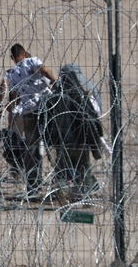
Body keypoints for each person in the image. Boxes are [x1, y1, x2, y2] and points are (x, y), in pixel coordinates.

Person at [0, 44, 56, 199]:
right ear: (24, 54)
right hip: (46, 107)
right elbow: (44, 70)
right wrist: (55, 81)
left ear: (12, 57)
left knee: (32, 148)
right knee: (53, 142)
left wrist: (8, 108)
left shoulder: (12, 73)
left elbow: (14, 95)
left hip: (29, 112)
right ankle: (60, 179)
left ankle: (33, 186)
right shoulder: (31, 61)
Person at [40, 63, 104, 199]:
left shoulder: (54, 99)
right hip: (81, 142)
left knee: (62, 170)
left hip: (62, 143)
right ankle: (87, 196)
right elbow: (92, 120)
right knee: (85, 169)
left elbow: (46, 121)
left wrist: (48, 140)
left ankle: (63, 192)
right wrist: (96, 143)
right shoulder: (83, 98)